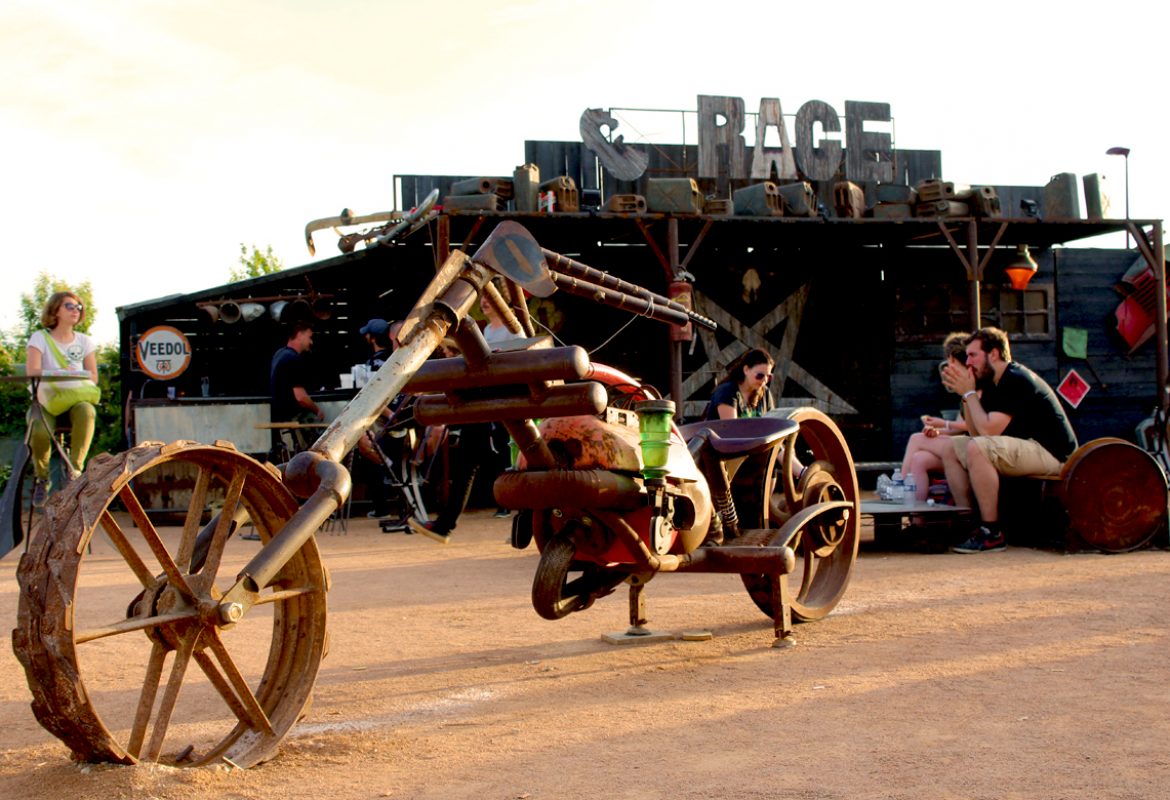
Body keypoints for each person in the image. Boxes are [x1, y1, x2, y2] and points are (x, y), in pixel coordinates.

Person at [940, 327, 1078, 554]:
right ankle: (968, 523)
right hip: (1029, 447)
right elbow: (976, 433)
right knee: (951, 448)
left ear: (993, 354)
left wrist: (969, 393)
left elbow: (987, 433)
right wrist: (966, 395)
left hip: (1054, 454)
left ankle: (991, 533)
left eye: (973, 355)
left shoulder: (1015, 379)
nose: (968, 361)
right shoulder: (993, 380)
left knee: (977, 449)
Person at [408, 291, 524, 542]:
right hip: (483, 408)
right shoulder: (488, 332)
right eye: (483, 298)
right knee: (468, 466)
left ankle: (527, 524)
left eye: (491, 299)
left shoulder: (514, 331)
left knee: (510, 467)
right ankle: (444, 525)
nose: (485, 302)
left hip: (502, 409)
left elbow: (518, 364)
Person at [25, 291, 99, 506]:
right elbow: (33, 370)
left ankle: (74, 472)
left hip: (74, 399)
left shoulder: (85, 341)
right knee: (37, 428)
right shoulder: (40, 338)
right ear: (55, 309)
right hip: (47, 400)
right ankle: (42, 477)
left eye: (78, 307)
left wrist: (73, 375)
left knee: (87, 411)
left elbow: (93, 376)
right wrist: (60, 372)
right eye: (69, 306)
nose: (76, 310)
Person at [900, 332, 971, 502]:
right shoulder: (964, 387)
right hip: (960, 445)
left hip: (973, 449)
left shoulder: (973, 383)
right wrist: (938, 432)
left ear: (952, 358)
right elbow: (959, 428)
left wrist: (943, 422)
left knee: (916, 439)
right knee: (919, 460)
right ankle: (918, 519)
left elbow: (970, 426)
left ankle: (901, 488)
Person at [269, 319, 324, 456]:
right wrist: (317, 410)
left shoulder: (279, 354)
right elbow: (300, 397)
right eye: (309, 337)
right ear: (300, 334)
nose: (311, 342)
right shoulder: (293, 359)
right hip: (294, 419)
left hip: (280, 418)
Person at [705, 348, 774, 420]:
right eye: (760, 375)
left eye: (769, 376)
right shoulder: (726, 391)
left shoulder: (765, 392)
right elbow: (732, 428)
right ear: (746, 370)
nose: (765, 380)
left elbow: (773, 424)